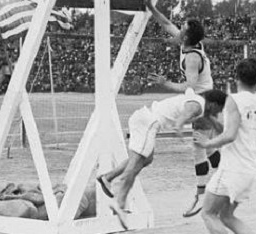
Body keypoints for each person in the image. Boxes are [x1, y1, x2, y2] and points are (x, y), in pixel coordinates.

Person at [97, 88, 227, 229]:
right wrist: (179, 128)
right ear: (214, 104)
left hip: (143, 118)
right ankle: (119, 202)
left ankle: (107, 178)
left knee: (146, 160)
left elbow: (214, 124)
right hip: (149, 122)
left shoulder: (199, 103)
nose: (219, 113)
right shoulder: (197, 106)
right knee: (136, 163)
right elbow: (182, 118)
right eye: (220, 109)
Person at [143, 0, 221, 217]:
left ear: (185, 36)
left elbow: (190, 86)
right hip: (206, 98)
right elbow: (167, 23)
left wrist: (165, 83)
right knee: (208, 147)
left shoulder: (192, 57)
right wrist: (151, 8)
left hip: (202, 100)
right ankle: (225, 180)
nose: (178, 28)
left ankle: (202, 196)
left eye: (182, 27)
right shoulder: (188, 44)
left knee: (199, 148)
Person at [195, 58, 256, 234]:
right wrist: (252, 143)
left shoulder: (233, 100)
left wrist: (207, 143)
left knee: (208, 214)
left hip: (231, 169)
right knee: (227, 217)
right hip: (249, 170)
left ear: (237, 77)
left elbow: (230, 135)